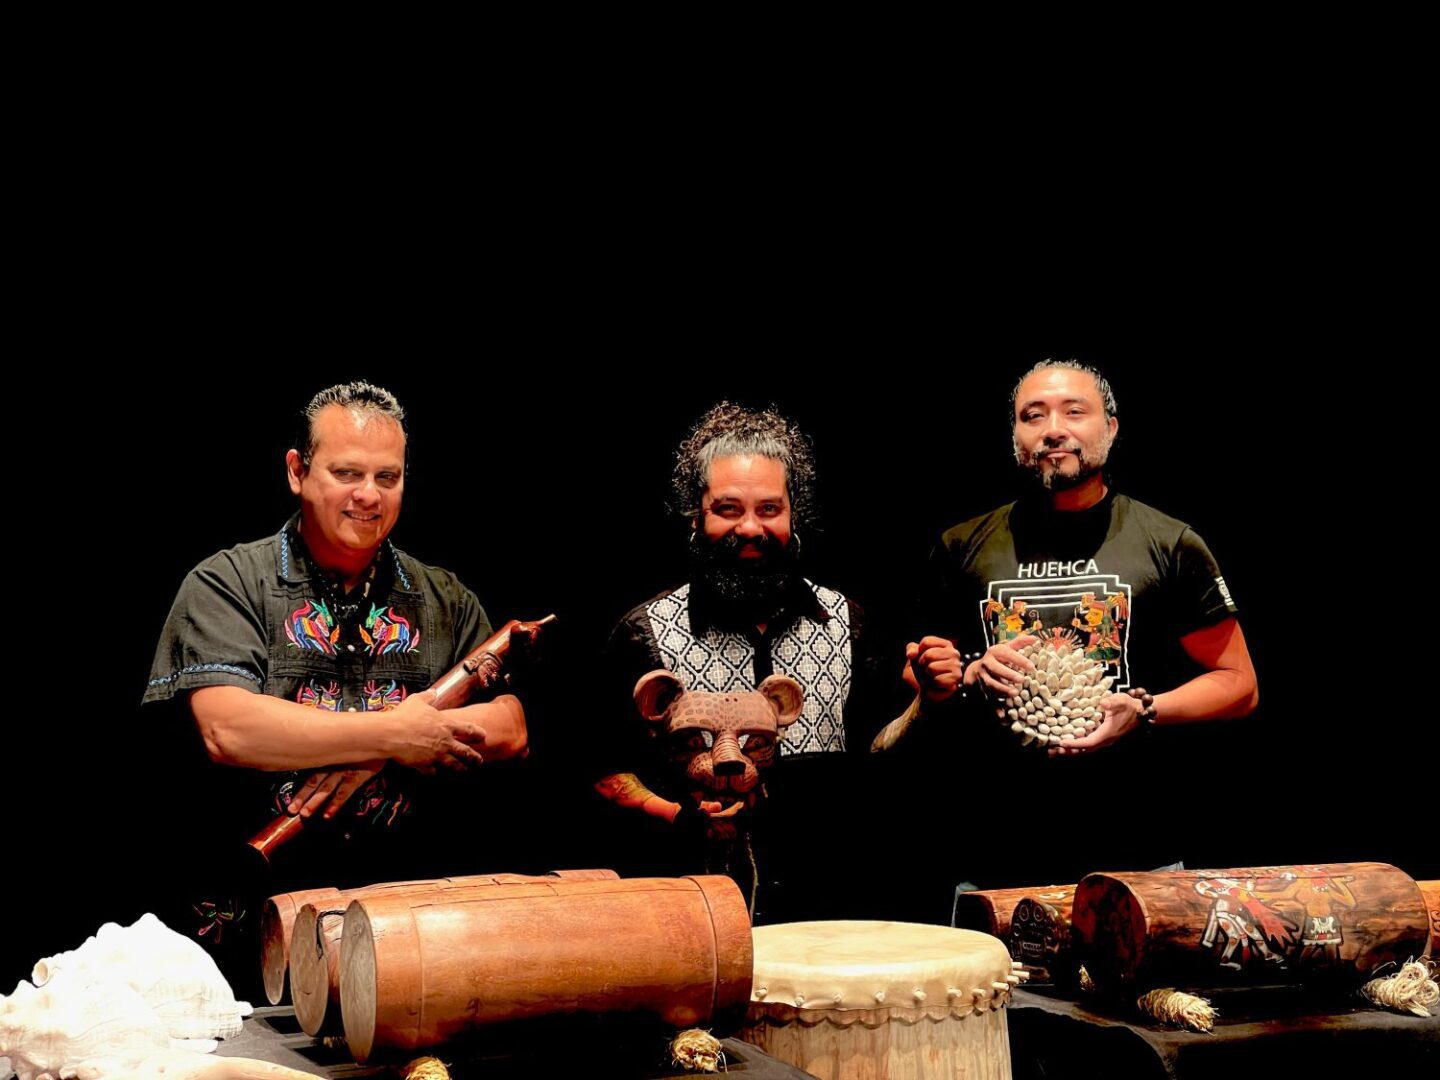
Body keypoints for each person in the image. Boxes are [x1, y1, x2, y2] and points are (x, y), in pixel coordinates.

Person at [142, 381, 528, 978]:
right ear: (297, 471)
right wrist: (394, 734)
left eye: (388, 477)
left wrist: (416, 732)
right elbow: (230, 728)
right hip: (247, 928)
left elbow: (510, 726)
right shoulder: (228, 582)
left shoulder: (443, 596)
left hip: (410, 933)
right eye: (347, 473)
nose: (368, 496)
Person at [887, 359, 1259, 892]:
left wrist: (1145, 709)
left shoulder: (1168, 542)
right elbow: (920, 677)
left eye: (1073, 411)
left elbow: (1239, 684)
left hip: (1138, 857)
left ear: (1110, 427)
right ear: (1015, 436)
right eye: (1032, 415)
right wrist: (967, 674)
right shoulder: (961, 546)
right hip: (995, 856)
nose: (1053, 428)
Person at [593, 402, 891, 921]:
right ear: (696, 515)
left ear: (794, 513)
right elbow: (601, 767)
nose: (750, 528)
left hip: (828, 920)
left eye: (769, 509)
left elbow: (880, 762)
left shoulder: (848, 622)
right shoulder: (643, 633)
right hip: (690, 921)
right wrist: (680, 815)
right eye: (728, 509)